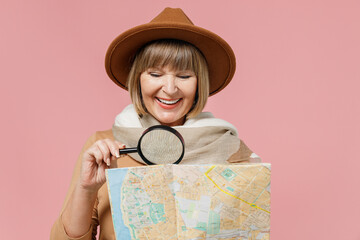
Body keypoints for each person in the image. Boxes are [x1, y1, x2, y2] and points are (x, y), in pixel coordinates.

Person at [50, 7, 261, 240]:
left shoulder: (230, 150)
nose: (170, 89)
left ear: (200, 84)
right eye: (155, 74)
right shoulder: (103, 148)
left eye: (184, 76)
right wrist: (86, 189)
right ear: (138, 79)